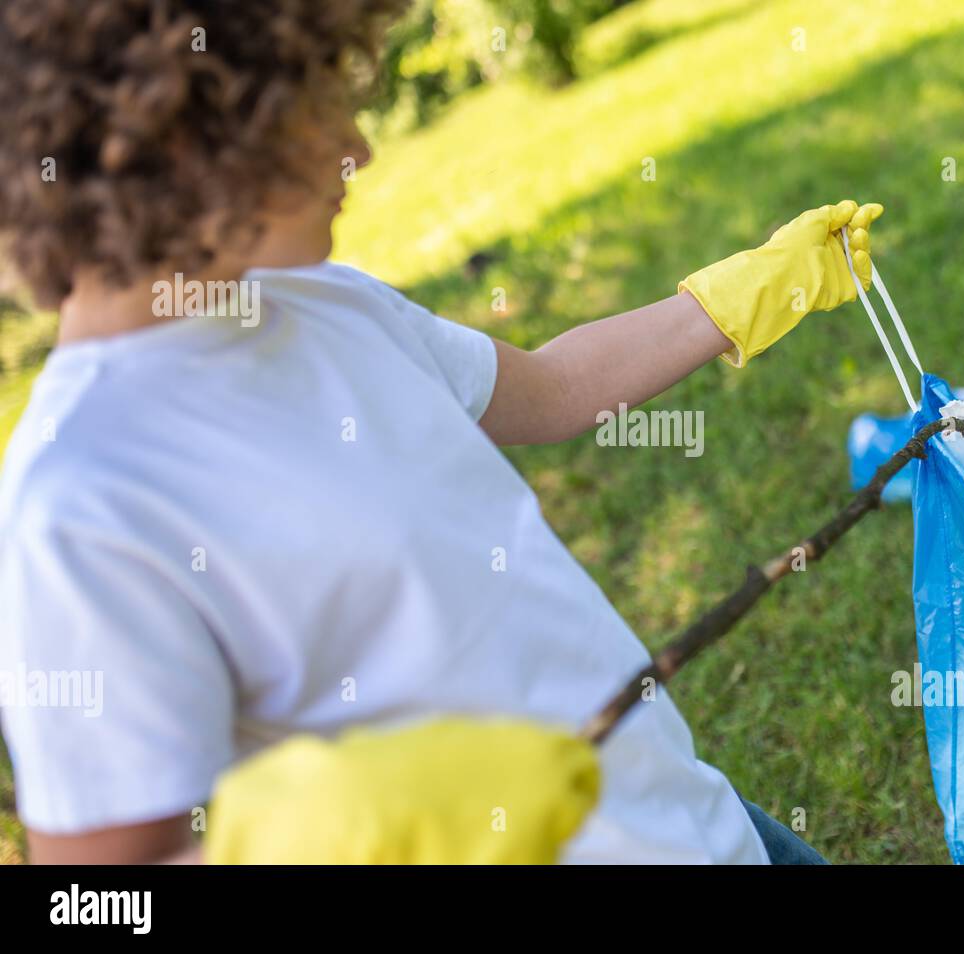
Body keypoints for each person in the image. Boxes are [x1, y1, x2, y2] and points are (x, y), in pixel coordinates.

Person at [0, 0, 879, 864]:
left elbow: (557, 388)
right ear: (188, 137)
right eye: (316, 105)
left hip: (685, 816)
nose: (361, 146)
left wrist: (749, 291)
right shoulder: (79, 495)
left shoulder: (327, 303)